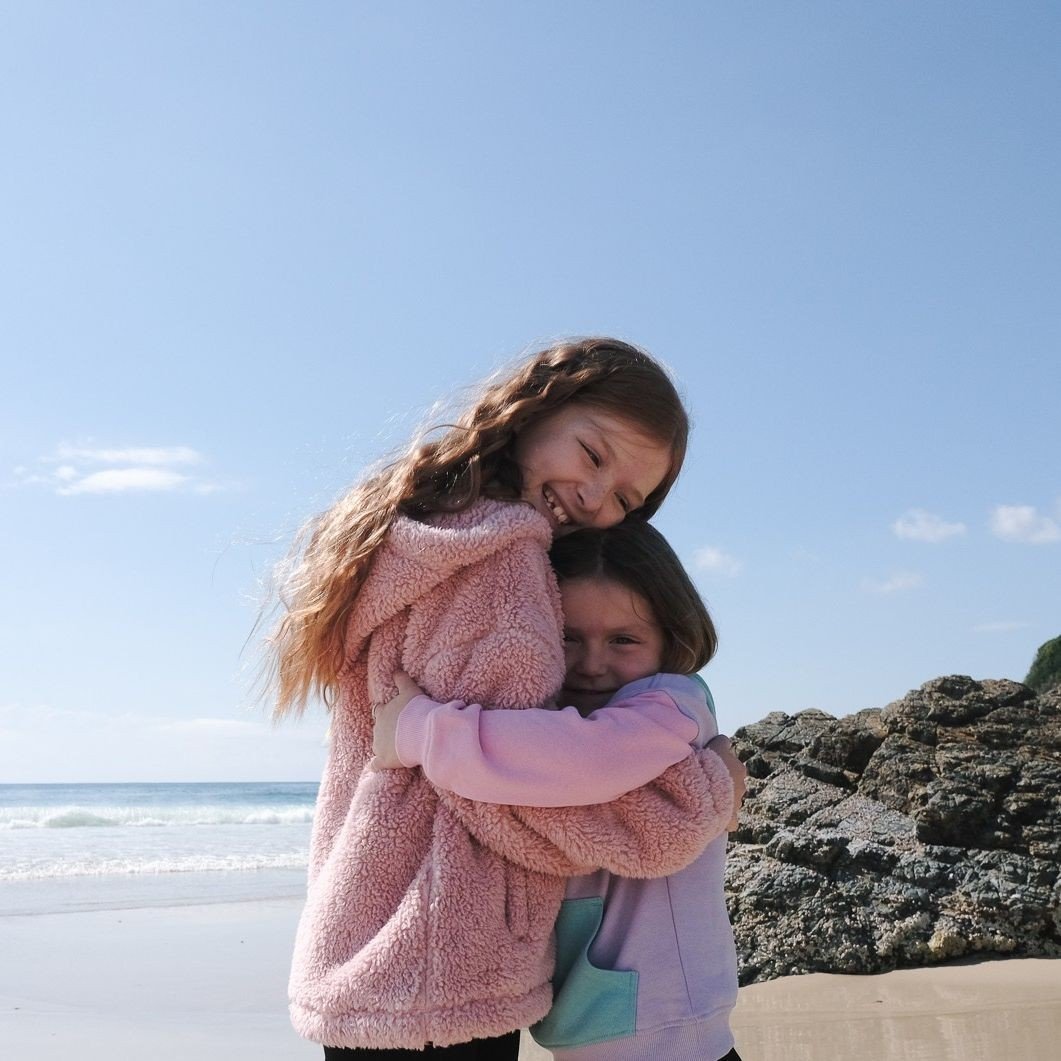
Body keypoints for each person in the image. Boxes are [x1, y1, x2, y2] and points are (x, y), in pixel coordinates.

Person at [265, 337, 743, 1058]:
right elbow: (513, 790)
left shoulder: (416, 531)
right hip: (442, 963)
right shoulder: (502, 565)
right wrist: (698, 797)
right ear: (542, 403)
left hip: (371, 941)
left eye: (623, 498)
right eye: (591, 454)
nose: (593, 496)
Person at [374, 521, 744, 1060]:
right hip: (603, 1015)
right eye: (568, 637)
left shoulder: (671, 704)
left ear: (672, 638)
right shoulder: (566, 722)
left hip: (665, 1022)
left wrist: (418, 729)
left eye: (624, 640)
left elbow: (582, 757)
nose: (593, 664)